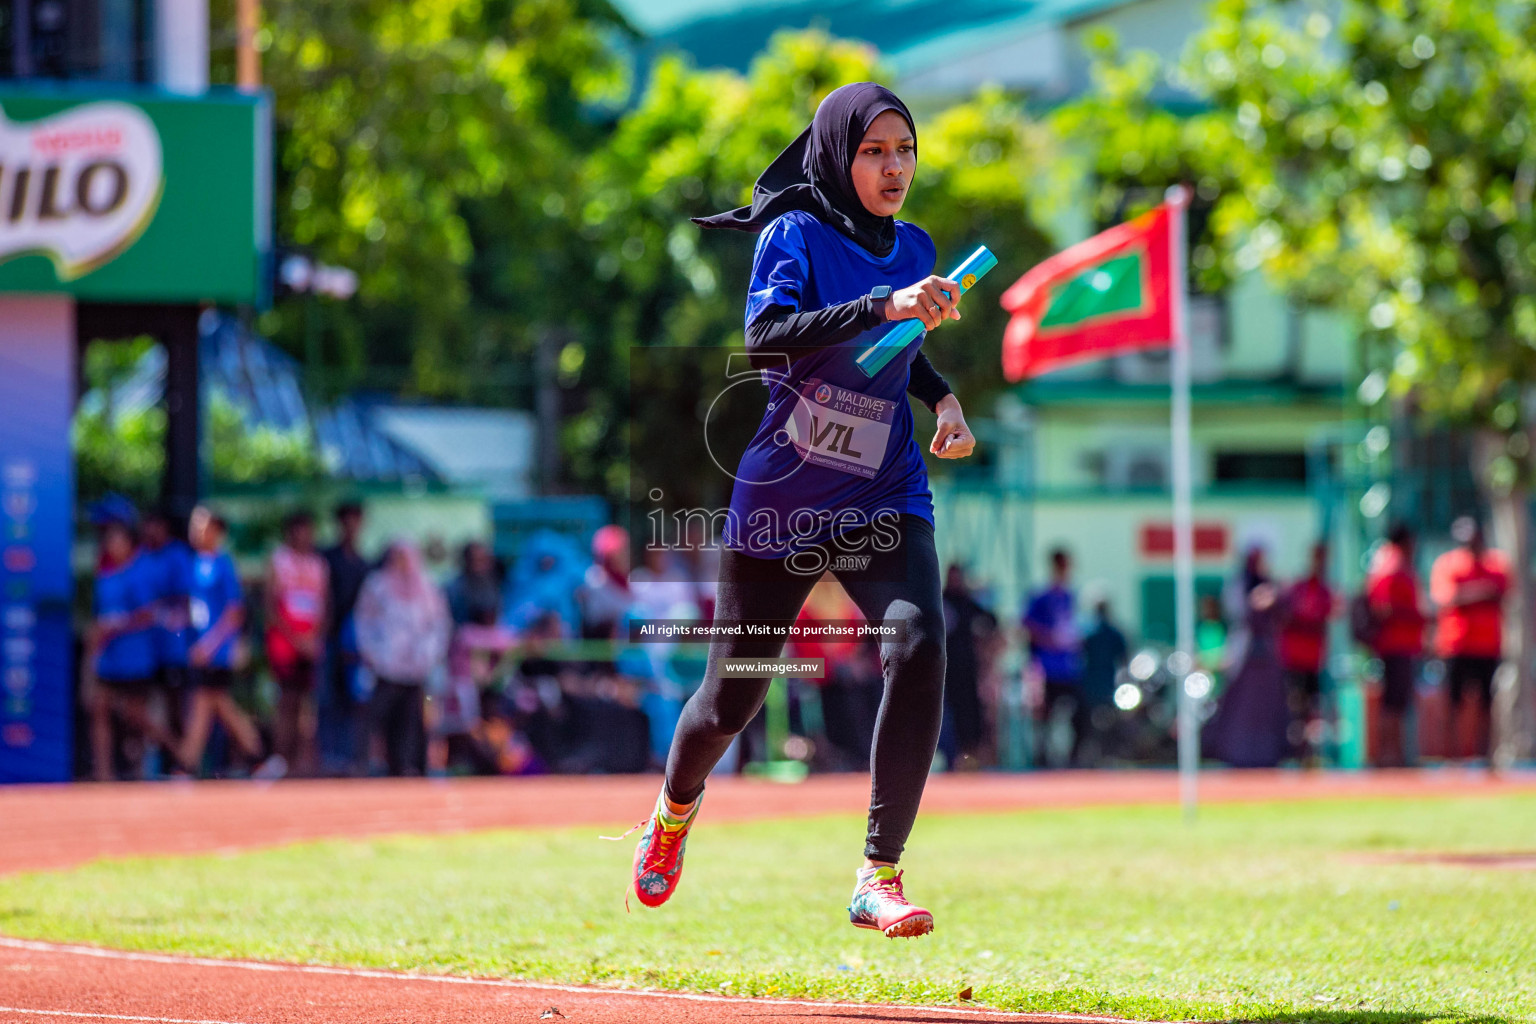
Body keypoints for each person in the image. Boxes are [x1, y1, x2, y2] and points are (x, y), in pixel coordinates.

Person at [620, 83, 975, 939]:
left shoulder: (917, 244)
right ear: (836, 153)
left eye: (906, 150)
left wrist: (945, 399)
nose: (895, 168)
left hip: (883, 488)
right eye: (874, 151)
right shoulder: (795, 234)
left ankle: (877, 874)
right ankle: (671, 815)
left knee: (921, 642)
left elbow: (896, 355)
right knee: (728, 701)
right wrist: (884, 304)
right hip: (787, 493)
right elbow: (768, 336)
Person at [177, 508, 281, 777]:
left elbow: (235, 613)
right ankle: (257, 758)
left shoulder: (223, 564)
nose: (195, 530)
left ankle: (186, 766)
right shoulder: (194, 563)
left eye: (201, 525)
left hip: (217, 652)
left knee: (207, 702)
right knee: (216, 704)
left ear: (216, 531)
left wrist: (209, 646)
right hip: (202, 649)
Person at [88, 515, 183, 781]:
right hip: (109, 659)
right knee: (100, 709)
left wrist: (120, 624)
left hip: (135, 658)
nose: (112, 546)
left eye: (118, 541)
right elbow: (98, 619)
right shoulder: (105, 578)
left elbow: (150, 613)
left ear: (130, 544)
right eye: (109, 541)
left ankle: (179, 753)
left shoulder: (140, 574)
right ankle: (103, 774)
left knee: (136, 717)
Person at [355, 541, 451, 776]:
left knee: (413, 720)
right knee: (376, 718)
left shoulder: (428, 587)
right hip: (385, 667)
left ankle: (409, 766)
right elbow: (364, 623)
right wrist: (373, 654)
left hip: (416, 669)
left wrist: (428, 654)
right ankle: (367, 765)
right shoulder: (377, 586)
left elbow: (439, 625)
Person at [1430, 516, 1509, 763]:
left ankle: (1486, 757)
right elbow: (1447, 598)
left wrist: (1467, 595)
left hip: (1487, 646)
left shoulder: (1496, 563)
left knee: (1487, 704)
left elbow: (1501, 593)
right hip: (1456, 645)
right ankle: (1452, 758)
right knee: (1453, 703)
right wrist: (1481, 592)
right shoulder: (1448, 564)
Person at [1203, 545, 1290, 768]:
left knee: (1267, 708)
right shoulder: (1238, 584)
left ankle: (1267, 753)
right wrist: (1255, 602)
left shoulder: (1270, 583)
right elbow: (1236, 611)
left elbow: (1285, 608)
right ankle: (1237, 752)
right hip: (1244, 654)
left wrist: (1273, 597)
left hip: (1268, 657)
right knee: (1240, 707)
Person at [265, 510, 329, 776]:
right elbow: (271, 607)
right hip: (285, 646)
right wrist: (295, 639)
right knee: (287, 703)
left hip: (310, 645)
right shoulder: (279, 561)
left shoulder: (318, 564)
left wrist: (314, 639)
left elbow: (325, 606)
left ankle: (302, 763)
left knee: (308, 706)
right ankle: (281, 758)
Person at [1365, 522, 1426, 767]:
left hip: (1404, 643)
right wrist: (1417, 616)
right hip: (1395, 644)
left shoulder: (1396, 564)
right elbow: (1383, 608)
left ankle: (1396, 754)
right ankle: (1389, 755)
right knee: (1393, 703)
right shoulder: (1392, 566)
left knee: (1398, 702)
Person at [139, 507, 194, 772]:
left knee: (177, 707)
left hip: (173, 648)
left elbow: (184, 599)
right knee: (145, 710)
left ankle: (183, 763)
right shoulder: (140, 556)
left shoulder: (177, 555)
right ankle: (158, 763)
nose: (151, 531)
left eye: (156, 525)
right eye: (147, 525)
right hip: (145, 650)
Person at [319, 499, 369, 775]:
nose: (351, 526)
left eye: (355, 520)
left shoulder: (364, 564)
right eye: (346, 520)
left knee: (357, 702)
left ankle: (352, 760)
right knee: (327, 700)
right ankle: (328, 758)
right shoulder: (326, 558)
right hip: (329, 641)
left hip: (357, 646)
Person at [1023, 548, 1084, 767]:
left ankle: (1072, 756)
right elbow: (1027, 626)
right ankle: (1042, 757)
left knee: (1079, 712)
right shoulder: (1041, 596)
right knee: (1045, 716)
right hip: (1047, 666)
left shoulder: (1069, 596)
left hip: (1068, 667)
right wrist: (1050, 639)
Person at [1280, 542, 1335, 763]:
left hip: (1314, 660)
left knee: (1312, 707)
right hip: (1294, 658)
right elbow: (1288, 617)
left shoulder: (1323, 590)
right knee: (1295, 705)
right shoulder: (1298, 588)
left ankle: (1308, 753)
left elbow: (1322, 619)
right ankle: (1294, 750)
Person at [940, 565, 996, 768]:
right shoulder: (940, 600)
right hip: (945, 670)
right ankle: (948, 757)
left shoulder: (968, 602)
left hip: (968, 669)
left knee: (970, 715)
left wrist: (986, 652)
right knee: (946, 717)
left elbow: (992, 620)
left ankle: (970, 756)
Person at [1079, 598, 1129, 765]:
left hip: (1097, 685)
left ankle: (1101, 755)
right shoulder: (1097, 633)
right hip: (1102, 684)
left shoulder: (1091, 633)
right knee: (1101, 722)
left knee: (1101, 723)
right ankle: (1100, 755)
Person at [446, 540, 503, 626]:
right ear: (466, 562)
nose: (482, 566)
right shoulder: (454, 590)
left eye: (484, 560)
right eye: (477, 561)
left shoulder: (494, 584)